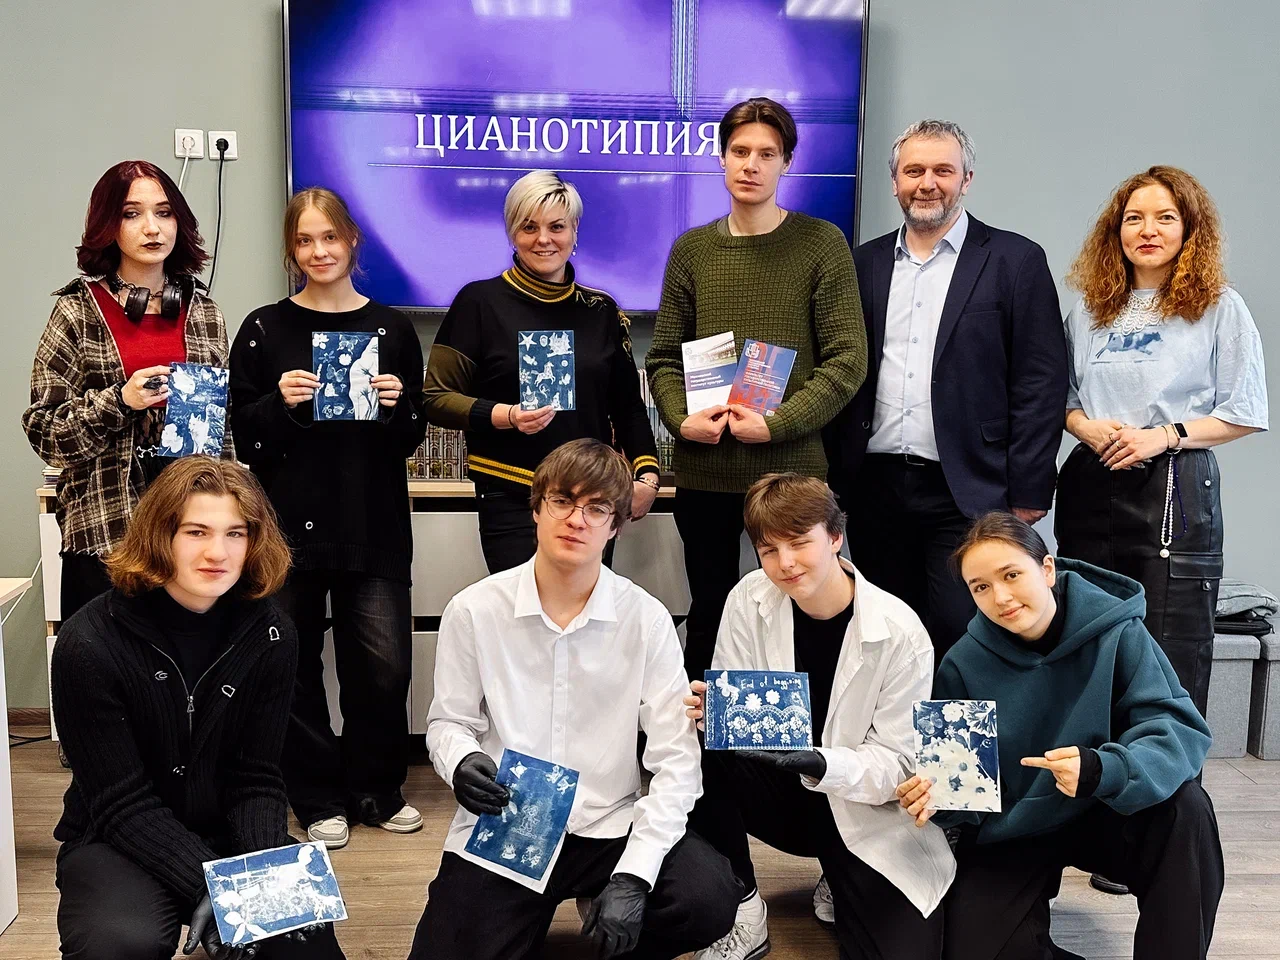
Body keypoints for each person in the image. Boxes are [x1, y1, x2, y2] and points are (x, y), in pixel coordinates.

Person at [411, 439, 741, 960]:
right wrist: (461, 760)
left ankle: (609, 914)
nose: (576, 520)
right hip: (513, 822)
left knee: (707, 899)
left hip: (610, 821)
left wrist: (634, 876)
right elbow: (449, 721)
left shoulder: (645, 618)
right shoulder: (474, 609)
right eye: (562, 501)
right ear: (537, 508)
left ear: (615, 526)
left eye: (597, 508)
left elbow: (677, 761)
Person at [50, 456, 346, 960]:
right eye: (196, 532)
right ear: (159, 535)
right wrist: (210, 886)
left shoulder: (271, 634)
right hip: (116, 838)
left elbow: (257, 778)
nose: (217, 553)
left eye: (236, 534)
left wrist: (251, 881)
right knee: (120, 942)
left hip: (231, 828)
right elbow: (121, 803)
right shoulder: (89, 643)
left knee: (304, 943)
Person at [897, 512, 1222, 960]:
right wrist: (938, 798)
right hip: (1017, 829)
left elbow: (1178, 729)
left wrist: (1104, 769)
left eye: (1011, 575)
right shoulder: (961, 663)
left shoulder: (1119, 631)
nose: (1000, 597)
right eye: (981, 587)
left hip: (1105, 809)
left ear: (1046, 569)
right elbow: (963, 793)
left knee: (1187, 808)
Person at [229, 187, 428, 850]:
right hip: (286, 530)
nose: (319, 251)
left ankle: (377, 789)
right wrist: (279, 404)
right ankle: (316, 798)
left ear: (352, 241)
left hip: (372, 524)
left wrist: (399, 406)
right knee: (293, 668)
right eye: (305, 240)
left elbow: (410, 437)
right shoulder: (264, 328)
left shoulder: (393, 330)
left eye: (329, 237)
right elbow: (245, 438)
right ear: (292, 250)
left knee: (384, 669)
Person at [683, 474, 954, 960]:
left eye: (799, 542)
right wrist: (714, 715)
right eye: (769, 550)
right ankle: (743, 906)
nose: (785, 563)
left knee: (901, 951)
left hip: (862, 805)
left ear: (835, 537)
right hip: (777, 792)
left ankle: (839, 871)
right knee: (693, 743)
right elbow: (736, 721)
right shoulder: (748, 598)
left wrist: (822, 763)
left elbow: (899, 763)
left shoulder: (901, 632)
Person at [823, 119, 1066, 657]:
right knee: (885, 633)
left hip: (970, 487)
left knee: (962, 631)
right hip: (874, 484)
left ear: (967, 179)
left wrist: (1029, 491)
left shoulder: (1015, 260)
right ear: (895, 182)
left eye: (942, 170)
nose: (927, 183)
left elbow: (1040, 381)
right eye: (914, 171)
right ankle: (895, 720)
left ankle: (953, 721)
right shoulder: (862, 263)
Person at [645, 97, 867, 680]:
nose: (751, 164)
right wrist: (680, 419)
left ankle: (804, 736)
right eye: (740, 151)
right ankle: (705, 737)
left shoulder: (821, 244)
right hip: (706, 471)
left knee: (803, 612)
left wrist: (776, 424)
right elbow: (663, 358)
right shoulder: (692, 250)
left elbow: (847, 361)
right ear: (721, 158)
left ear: (786, 162)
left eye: (767, 154)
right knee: (712, 617)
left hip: (793, 473)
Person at [1057, 165, 1268, 720]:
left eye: (1165, 218)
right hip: (1092, 478)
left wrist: (1162, 437)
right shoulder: (1090, 309)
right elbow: (1064, 396)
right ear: (1116, 230)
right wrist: (1084, 427)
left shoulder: (1218, 306)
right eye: (1134, 218)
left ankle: (1166, 768)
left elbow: (1244, 412)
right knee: (1087, 633)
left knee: (1169, 643)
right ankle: (1094, 764)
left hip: (1175, 486)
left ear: (1189, 229)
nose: (1147, 230)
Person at [24, 160, 233, 620]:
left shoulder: (205, 313)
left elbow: (223, 438)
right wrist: (120, 400)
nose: (152, 228)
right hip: (107, 532)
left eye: (164, 212)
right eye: (131, 214)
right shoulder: (77, 312)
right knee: (104, 663)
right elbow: (45, 433)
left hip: (192, 538)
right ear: (108, 226)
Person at [423, 170, 661, 573]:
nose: (543, 239)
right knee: (521, 610)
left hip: (590, 498)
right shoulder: (478, 302)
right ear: (512, 233)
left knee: (587, 610)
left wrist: (647, 475)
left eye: (557, 227)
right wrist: (505, 415)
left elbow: (628, 408)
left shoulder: (601, 311)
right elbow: (435, 398)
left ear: (575, 230)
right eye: (529, 227)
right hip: (510, 493)